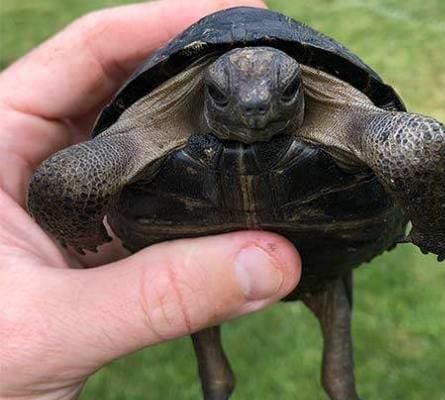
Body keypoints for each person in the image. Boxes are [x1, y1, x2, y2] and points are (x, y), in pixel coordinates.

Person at [0, 1, 302, 398]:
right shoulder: (159, 115)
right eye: (223, 98)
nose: (255, 111)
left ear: (300, 85)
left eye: (282, 94)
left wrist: (417, 214)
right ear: (206, 91)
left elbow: (410, 144)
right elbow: (63, 179)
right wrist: (76, 230)